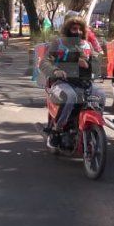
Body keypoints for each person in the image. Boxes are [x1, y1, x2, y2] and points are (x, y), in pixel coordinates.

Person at [38, 14, 102, 148]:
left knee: (100, 95)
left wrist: (96, 66)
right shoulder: (59, 43)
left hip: (84, 83)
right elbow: (45, 62)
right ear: (68, 30)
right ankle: (58, 129)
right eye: (74, 29)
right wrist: (55, 71)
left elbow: (96, 63)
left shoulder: (87, 45)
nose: (77, 31)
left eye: (80, 29)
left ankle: (94, 127)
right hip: (62, 83)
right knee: (71, 97)